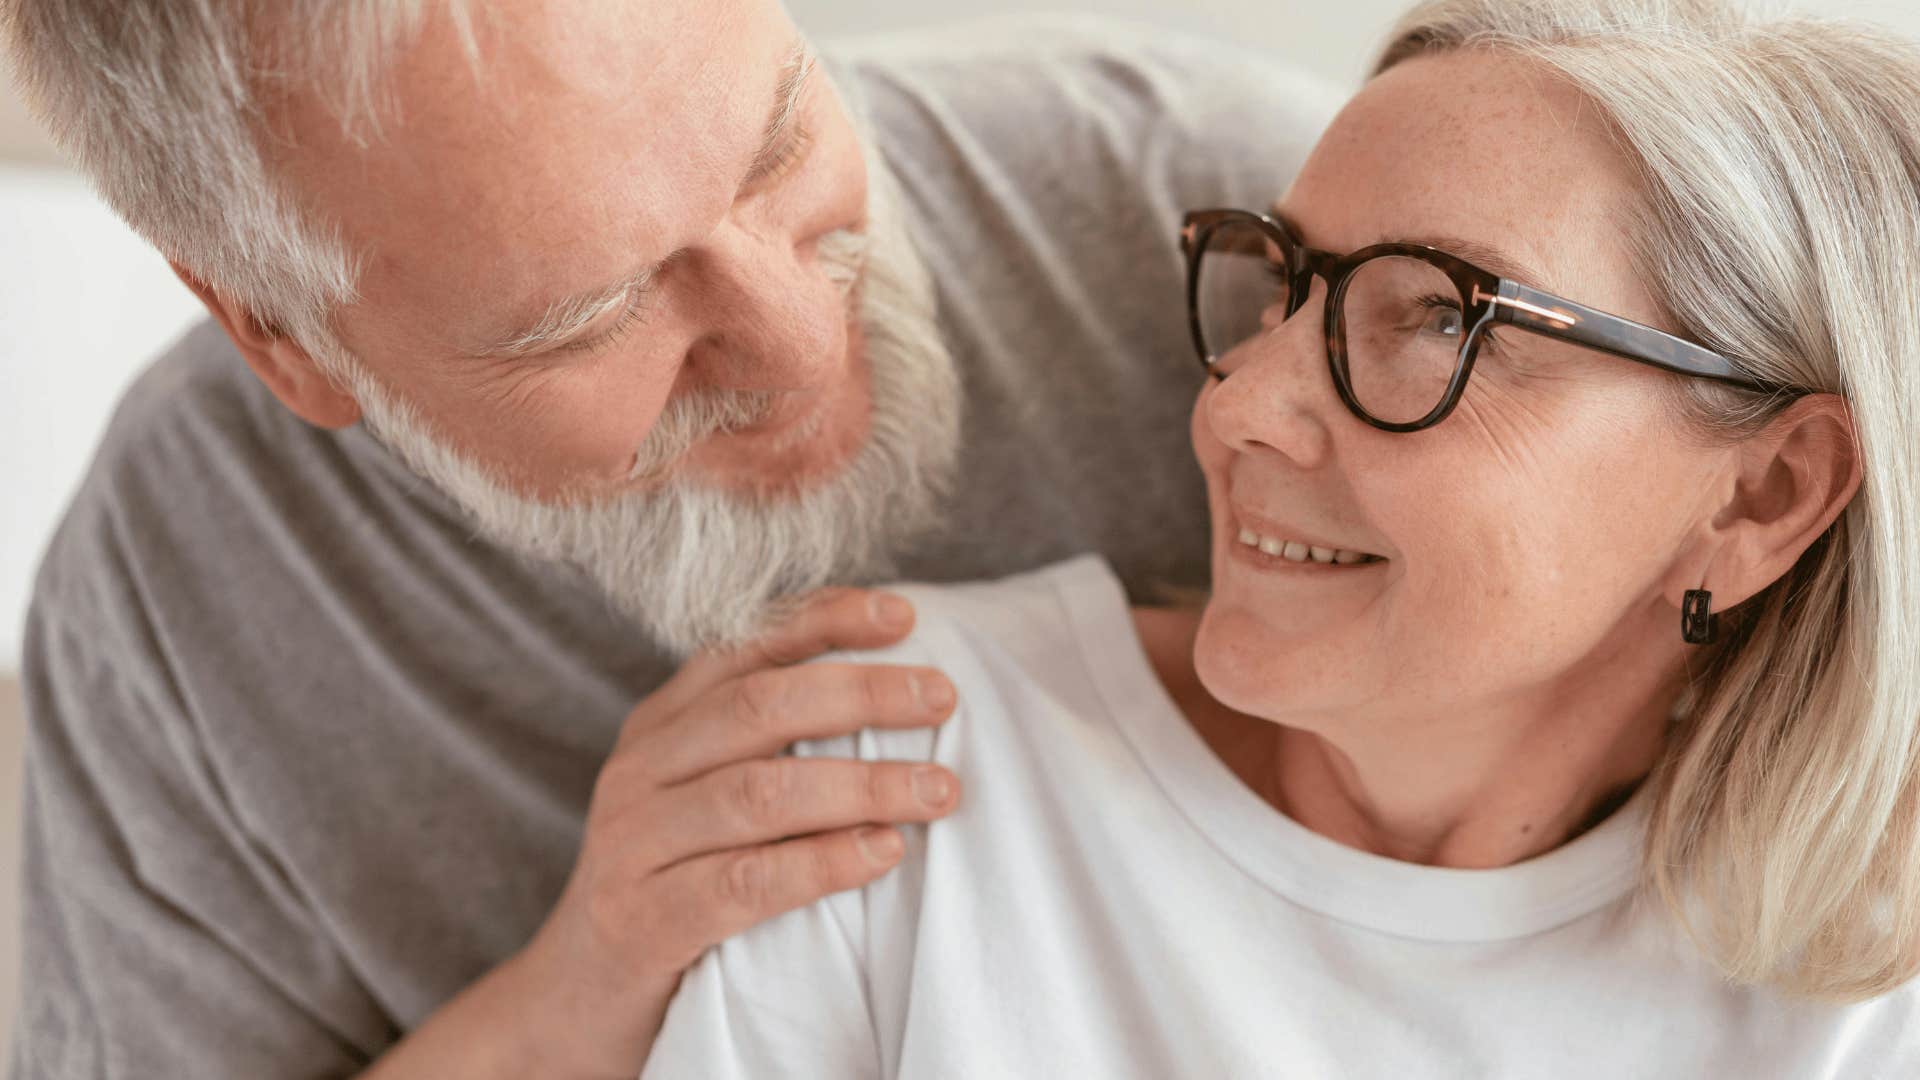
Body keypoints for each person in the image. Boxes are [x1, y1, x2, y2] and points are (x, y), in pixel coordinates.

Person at [0, 1, 1335, 1076]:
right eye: (591, 316)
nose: (805, 345)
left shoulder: (1245, 235)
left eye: (781, 141)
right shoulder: (168, 614)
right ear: (283, 340)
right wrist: (574, 999)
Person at [639, 0, 1920, 1074]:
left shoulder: (1855, 999)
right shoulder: (897, 767)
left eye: (1435, 320)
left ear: (1765, 497)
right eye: (1283, 286)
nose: (1237, 405)